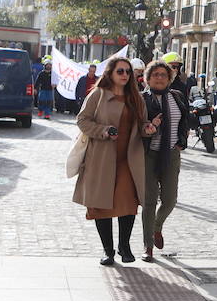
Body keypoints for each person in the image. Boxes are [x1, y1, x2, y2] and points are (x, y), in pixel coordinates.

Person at [73, 57, 154, 266]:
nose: (125, 75)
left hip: (129, 159)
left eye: (128, 71)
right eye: (120, 71)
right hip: (101, 158)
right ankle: (107, 250)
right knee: (101, 204)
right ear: (110, 73)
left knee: (128, 204)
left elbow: (142, 123)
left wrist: (148, 128)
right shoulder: (98, 95)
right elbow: (82, 120)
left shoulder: (136, 98)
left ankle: (124, 246)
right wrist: (103, 131)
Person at [140, 61, 192, 262]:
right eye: (155, 75)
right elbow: (135, 123)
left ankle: (157, 227)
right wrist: (148, 127)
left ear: (169, 78)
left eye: (163, 74)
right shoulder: (142, 99)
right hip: (148, 155)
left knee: (170, 200)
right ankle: (148, 245)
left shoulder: (177, 97)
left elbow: (184, 121)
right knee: (149, 202)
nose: (159, 78)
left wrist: (181, 142)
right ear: (148, 78)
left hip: (171, 154)